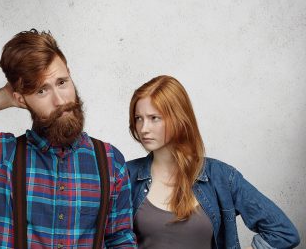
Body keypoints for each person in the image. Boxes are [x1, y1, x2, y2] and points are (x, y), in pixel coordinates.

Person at [0, 29, 137, 248]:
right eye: (41, 91)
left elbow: (120, 240)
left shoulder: (109, 160)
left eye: (62, 82)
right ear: (21, 99)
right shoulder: (4, 154)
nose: (60, 100)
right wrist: (2, 97)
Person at [126, 75, 300, 249]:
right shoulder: (124, 175)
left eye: (154, 118)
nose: (143, 128)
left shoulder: (221, 176)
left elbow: (284, 233)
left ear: (179, 118)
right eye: (138, 118)